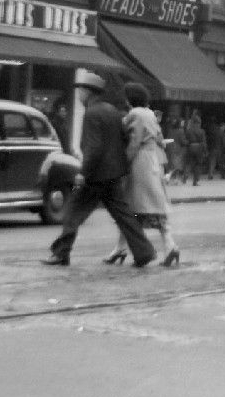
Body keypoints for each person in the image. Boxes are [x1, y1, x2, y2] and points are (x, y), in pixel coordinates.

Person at [43, 71, 156, 268]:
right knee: (123, 215)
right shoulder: (112, 111)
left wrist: (83, 173)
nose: (78, 95)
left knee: (72, 212)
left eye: (80, 91)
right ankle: (144, 252)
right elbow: (123, 139)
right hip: (113, 174)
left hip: (96, 176)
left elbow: (94, 149)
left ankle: (61, 253)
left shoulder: (92, 113)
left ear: (87, 92)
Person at [106, 82, 181, 268]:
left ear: (130, 98)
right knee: (144, 207)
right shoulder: (149, 114)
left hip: (140, 163)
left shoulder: (136, 114)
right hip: (152, 161)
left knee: (131, 206)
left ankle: (124, 248)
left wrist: (123, 163)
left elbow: (134, 142)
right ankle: (166, 245)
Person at [184, 113, 207, 186]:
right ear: (199, 122)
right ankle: (195, 181)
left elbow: (186, 140)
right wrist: (205, 151)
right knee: (197, 165)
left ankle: (185, 177)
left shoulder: (189, 130)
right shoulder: (201, 131)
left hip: (190, 148)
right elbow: (204, 142)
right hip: (199, 148)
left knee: (189, 164)